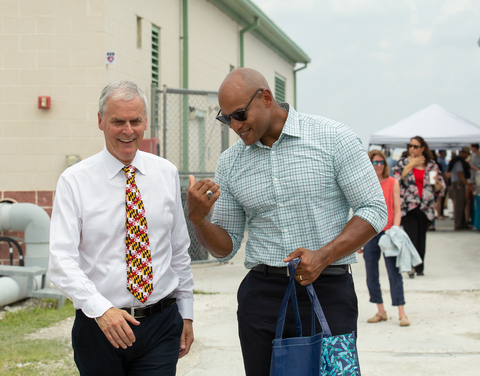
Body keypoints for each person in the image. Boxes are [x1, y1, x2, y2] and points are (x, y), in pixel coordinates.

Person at [186, 68, 388, 376]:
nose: (235, 126)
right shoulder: (230, 163)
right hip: (262, 299)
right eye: (226, 118)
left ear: (266, 98)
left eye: (240, 114)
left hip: (328, 291)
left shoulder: (333, 137)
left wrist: (324, 255)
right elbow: (225, 247)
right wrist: (199, 220)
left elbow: (374, 208)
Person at [48, 81, 194, 376]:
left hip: (161, 324)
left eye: (135, 121)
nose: (128, 130)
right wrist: (100, 308)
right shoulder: (74, 181)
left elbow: (178, 249)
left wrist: (186, 314)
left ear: (145, 123)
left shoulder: (165, 173)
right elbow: (61, 261)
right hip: (100, 326)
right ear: (101, 121)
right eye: (118, 121)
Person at [361, 150, 409, 327]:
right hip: (371, 233)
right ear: (369, 164)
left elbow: (397, 209)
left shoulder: (393, 182)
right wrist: (359, 240)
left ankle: (401, 312)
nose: (378, 165)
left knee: (393, 272)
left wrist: (395, 229)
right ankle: (380, 310)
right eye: (374, 162)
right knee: (371, 274)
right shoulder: (366, 184)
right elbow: (361, 210)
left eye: (381, 162)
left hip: (389, 232)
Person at [392, 136, 445, 278]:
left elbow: (439, 186)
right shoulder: (403, 162)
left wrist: (437, 183)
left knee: (422, 237)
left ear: (422, 148)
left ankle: (419, 266)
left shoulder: (431, 164)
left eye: (415, 146)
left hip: (425, 206)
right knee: (411, 236)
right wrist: (411, 165)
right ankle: (410, 266)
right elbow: (396, 181)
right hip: (408, 205)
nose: (412, 149)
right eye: (410, 146)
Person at [448, 146, 471, 230]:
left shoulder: (458, 161)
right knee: (459, 205)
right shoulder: (458, 162)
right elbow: (460, 175)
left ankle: (461, 223)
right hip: (459, 184)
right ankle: (458, 224)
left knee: (461, 204)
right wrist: (467, 184)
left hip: (458, 184)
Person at [436, 150, 448, 220]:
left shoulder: (440, 161)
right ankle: (439, 214)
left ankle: (439, 214)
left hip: (438, 182)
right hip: (440, 181)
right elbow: (444, 173)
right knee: (439, 199)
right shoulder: (441, 161)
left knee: (439, 199)